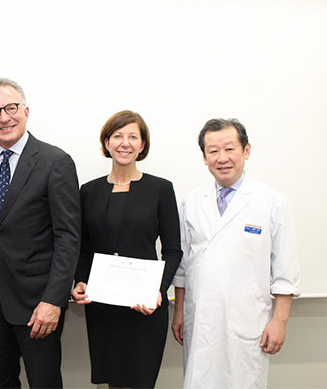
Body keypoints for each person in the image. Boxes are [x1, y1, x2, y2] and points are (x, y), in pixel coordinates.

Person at [0, 78, 81, 388]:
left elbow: (68, 236)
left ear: (26, 111)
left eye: (11, 108)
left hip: (37, 305)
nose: (4, 117)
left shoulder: (54, 161)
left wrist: (53, 301)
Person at [171, 118, 301, 388]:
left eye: (229, 149)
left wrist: (280, 321)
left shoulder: (273, 203)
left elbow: (286, 272)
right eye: (213, 151)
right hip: (202, 320)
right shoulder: (192, 202)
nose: (222, 158)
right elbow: (184, 266)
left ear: (246, 151)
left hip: (247, 321)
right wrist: (180, 312)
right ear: (204, 158)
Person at [71, 110, 183, 388]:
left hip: (144, 305)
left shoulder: (161, 189)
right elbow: (82, 248)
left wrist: (158, 290)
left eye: (133, 136)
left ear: (142, 145)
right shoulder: (88, 191)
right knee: (113, 382)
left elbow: (173, 250)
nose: (125, 143)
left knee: (141, 381)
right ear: (106, 142)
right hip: (104, 307)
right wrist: (80, 281)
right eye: (118, 136)